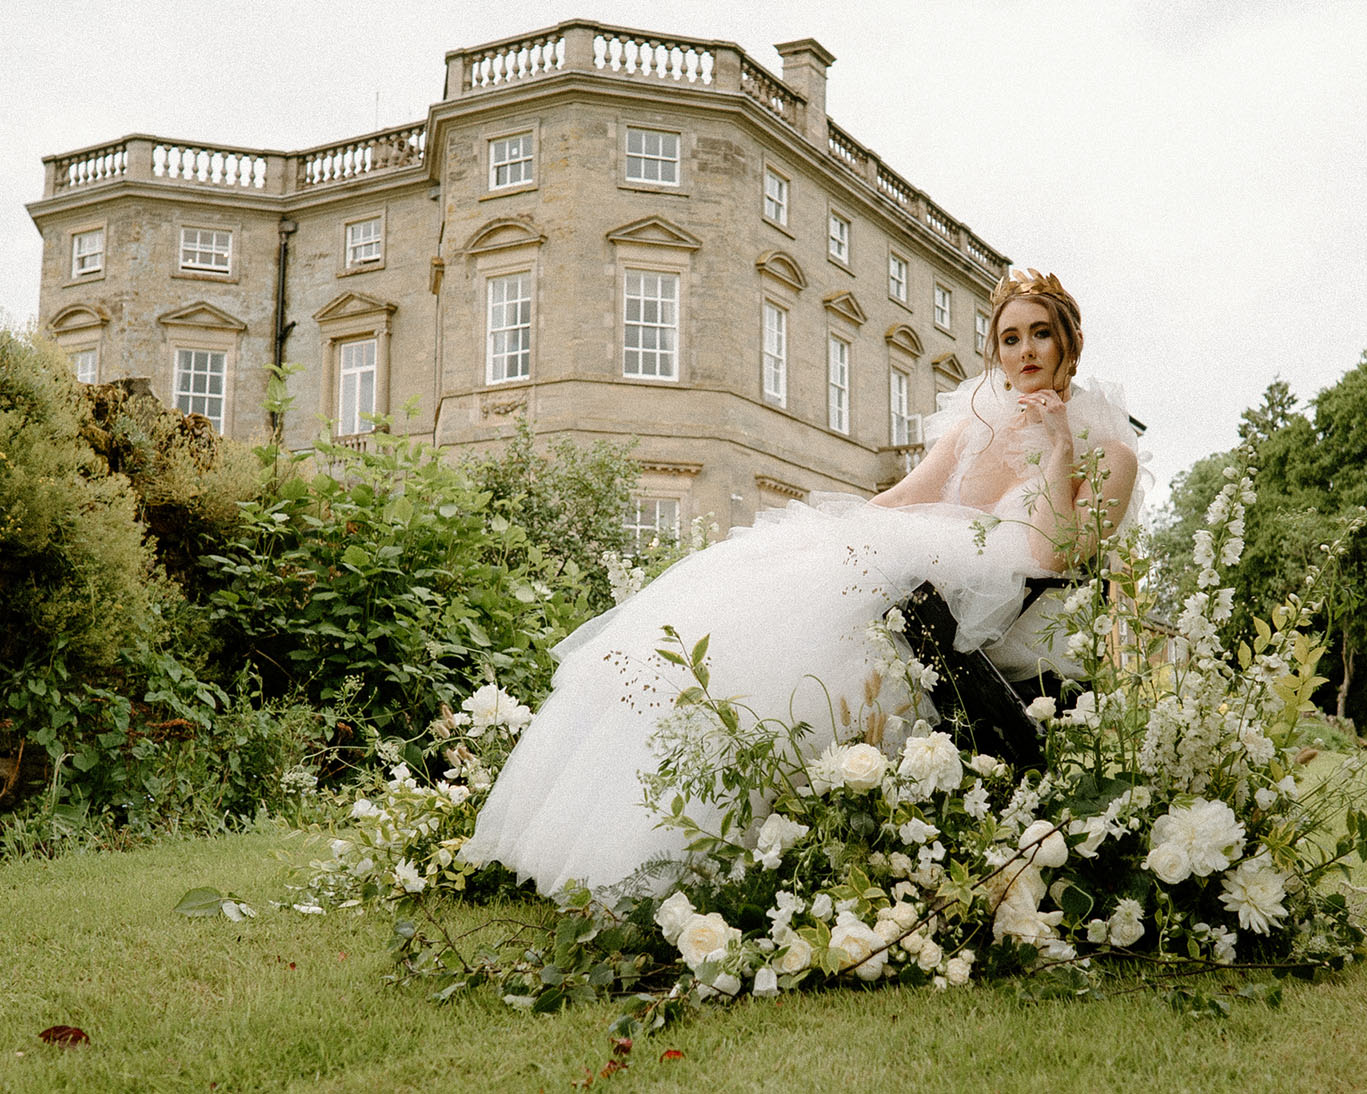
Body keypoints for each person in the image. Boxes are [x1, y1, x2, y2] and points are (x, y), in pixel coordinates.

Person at [462, 269, 1142, 894]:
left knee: (866, 606)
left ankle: (795, 816)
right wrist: (828, 535)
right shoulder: (977, 423)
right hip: (936, 572)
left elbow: (1055, 555)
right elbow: (906, 496)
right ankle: (651, 821)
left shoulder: (1106, 450)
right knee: (770, 583)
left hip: (1010, 604)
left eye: (1041, 334)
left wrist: (1055, 445)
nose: (1026, 351)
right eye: (1010, 338)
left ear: (1069, 342)